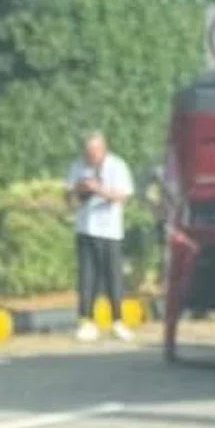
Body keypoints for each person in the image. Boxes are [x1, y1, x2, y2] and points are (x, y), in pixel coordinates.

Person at [64, 130, 135, 342]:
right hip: (85, 228)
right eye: (87, 152)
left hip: (110, 230)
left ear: (103, 149)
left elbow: (122, 196)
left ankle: (117, 321)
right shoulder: (77, 166)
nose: (90, 156)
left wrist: (99, 189)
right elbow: (67, 197)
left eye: (94, 151)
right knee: (87, 276)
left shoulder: (117, 165)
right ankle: (86, 320)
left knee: (113, 276)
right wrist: (77, 189)